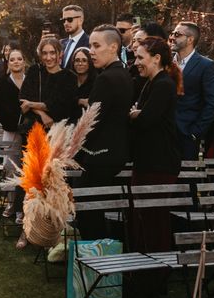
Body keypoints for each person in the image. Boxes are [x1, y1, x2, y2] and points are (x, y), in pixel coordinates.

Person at [128, 37, 183, 296]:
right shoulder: (150, 83)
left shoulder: (163, 85)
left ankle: (157, 278)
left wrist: (138, 114)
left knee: (156, 222)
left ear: (156, 58)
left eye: (140, 57)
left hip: (159, 164)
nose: (136, 62)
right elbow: (138, 114)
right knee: (144, 221)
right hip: (147, 162)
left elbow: (146, 119)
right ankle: (145, 274)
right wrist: (137, 113)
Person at [16, 38, 77, 241]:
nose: (49, 57)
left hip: (57, 135)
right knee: (31, 180)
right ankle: (26, 230)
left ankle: (51, 230)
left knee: (52, 183)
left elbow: (64, 105)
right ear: (40, 55)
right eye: (45, 53)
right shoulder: (35, 72)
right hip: (34, 132)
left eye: (53, 53)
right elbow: (23, 99)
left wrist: (36, 105)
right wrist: (43, 113)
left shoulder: (69, 77)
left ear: (60, 54)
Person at [76, 25, 133, 240]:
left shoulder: (106, 78)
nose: (91, 51)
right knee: (95, 211)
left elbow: (92, 122)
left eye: (96, 45)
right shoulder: (123, 74)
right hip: (114, 153)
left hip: (100, 156)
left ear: (113, 47)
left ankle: (95, 262)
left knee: (89, 211)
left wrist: (75, 151)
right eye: (90, 45)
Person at [169, 21, 214, 160]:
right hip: (162, 133)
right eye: (172, 33)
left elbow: (213, 103)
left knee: (185, 177)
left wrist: (195, 132)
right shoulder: (165, 63)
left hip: (186, 135)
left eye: (177, 34)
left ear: (190, 39)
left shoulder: (206, 65)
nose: (172, 37)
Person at [0, 48, 25, 227]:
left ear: (24, 62)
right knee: (12, 169)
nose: (16, 62)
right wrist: (15, 124)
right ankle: (12, 204)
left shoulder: (31, 81)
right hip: (11, 131)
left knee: (27, 169)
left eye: (19, 59)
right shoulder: (3, 83)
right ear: (8, 62)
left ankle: (23, 208)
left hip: (29, 132)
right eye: (12, 59)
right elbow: (0, 110)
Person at [68, 47, 96, 122]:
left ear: (90, 62)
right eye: (77, 60)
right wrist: (80, 101)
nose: (80, 64)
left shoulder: (96, 81)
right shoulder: (68, 80)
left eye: (84, 60)